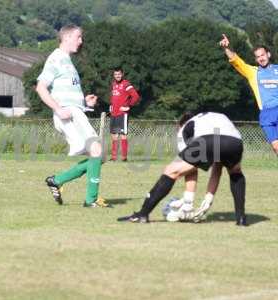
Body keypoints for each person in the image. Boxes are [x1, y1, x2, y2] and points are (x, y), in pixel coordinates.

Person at [118, 112, 247, 226]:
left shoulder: (184, 128)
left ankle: (142, 214)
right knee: (235, 173)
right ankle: (241, 218)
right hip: (235, 142)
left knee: (171, 170)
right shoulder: (211, 118)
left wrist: (188, 202)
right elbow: (217, 168)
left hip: (208, 139)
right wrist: (208, 200)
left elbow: (190, 169)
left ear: (180, 125)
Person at [36, 24, 111, 208]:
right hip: (68, 114)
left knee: (100, 156)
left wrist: (85, 103)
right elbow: (40, 87)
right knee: (97, 152)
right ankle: (90, 200)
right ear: (67, 37)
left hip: (75, 112)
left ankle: (57, 180)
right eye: (78, 37)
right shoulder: (56, 58)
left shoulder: (67, 61)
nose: (81, 41)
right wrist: (58, 109)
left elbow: (64, 91)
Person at [220, 34, 278, 155]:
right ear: (256, 59)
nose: (261, 58)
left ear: (268, 55)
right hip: (266, 114)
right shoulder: (253, 72)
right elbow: (236, 61)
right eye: (258, 57)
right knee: (276, 147)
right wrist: (227, 48)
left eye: (262, 55)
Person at [109, 67, 140, 161]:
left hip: (122, 114)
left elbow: (136, 96)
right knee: (114, 135)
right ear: (114, 75)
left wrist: (128, 106)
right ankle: (114, 157)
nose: (117, 76)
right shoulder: (113, 84)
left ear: (122, 74)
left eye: (119, 74)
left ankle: (124, 157)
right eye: (115, 74)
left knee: (123, 134)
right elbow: (113, 97)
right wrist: (111, 105)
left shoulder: (126, 84)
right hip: (114, 113)